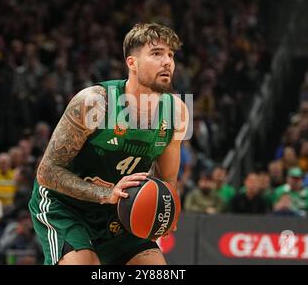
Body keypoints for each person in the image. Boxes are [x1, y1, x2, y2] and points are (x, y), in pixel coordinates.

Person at [28, 23, 189, 265]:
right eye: (156, 53)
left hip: (120, 210)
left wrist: (167, 211)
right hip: (65, 206)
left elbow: (167, 179)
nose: (167, 61)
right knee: (85, 263)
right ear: (131, 63)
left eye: (170, 55)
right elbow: (46, 172)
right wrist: (107, 193)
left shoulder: (177, 112)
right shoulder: (94, 102)